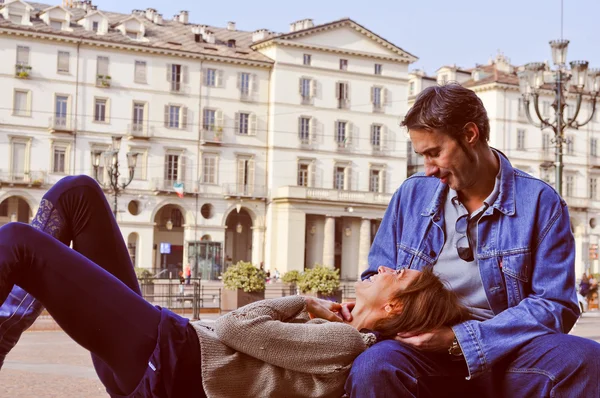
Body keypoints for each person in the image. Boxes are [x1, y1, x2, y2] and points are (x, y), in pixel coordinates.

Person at [0, 175, 470, 397]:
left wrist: (303, 300)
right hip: (163, 350)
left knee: (19, 242)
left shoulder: (345, 341)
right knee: (77, 193)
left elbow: (236, 327)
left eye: (398, 277)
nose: (385, 269)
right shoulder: (336, 335)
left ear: (393, 309)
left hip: (168, 361)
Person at [345, 84, 600, 398]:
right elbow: (377, 275)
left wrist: (462, 339)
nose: (428, 169)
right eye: (422, 156)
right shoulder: (411, 194)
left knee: (586, 359)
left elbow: (556, 305)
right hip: (421, 352)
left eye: (434, 153)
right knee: (375, 366)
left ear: (469, 134)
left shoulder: (540, 202)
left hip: (511, 353)